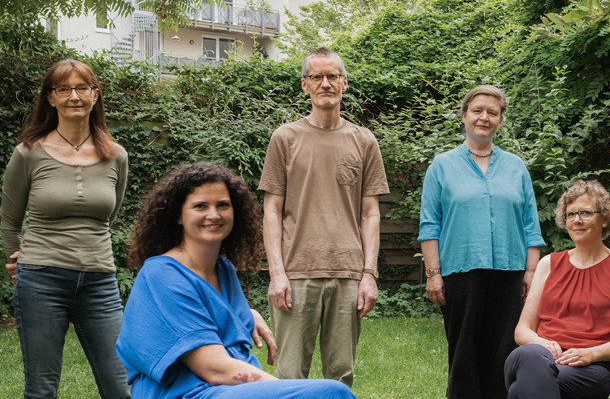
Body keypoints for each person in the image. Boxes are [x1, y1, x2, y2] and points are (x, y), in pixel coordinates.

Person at [116, 162, 354, 399]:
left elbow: (212, 312)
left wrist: (248, 313)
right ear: (179, 215)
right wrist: (283, 390)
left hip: (227, 391)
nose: (213, 214)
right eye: (200, 206)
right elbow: (215, 369)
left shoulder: (223, 269)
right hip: (190, 393)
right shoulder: (162, 274)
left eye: (223, 205)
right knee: (332, 393)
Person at [258, 47, 389, 385]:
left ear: (344, 83)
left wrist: (369, 274)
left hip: (348, 273)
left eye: (333, 76)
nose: (326, 83)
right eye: (317, 77)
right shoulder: (285, 138)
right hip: (296, 272)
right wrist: (277, 274)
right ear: (305, 85)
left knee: (340, 375)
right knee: (289, 375)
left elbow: (370, 214)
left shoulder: (364, 141)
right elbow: (271, 210)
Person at [0, 59, 130, 399]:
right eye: (64, 89)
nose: (74, 96)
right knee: (41, 390)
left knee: (122, 386)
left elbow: (108, 214)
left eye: (82, 88)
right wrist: (18, 260)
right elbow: (10, 220)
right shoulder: (28, 153)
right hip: (40, 280)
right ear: (51, 98)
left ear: (95, 95)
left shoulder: (116, 156)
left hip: (100, 282)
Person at [420, 84, 546, 399]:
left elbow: (531, 225)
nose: (484, 117)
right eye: (477, 110)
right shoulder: (442, 166)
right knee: (463, 354)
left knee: (503, 351)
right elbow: (429, 224)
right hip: (459, 273)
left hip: (510, 273)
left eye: (492, 112)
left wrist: (531, 272)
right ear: (464, 116)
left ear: (500, 120)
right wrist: (433, 274)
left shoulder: (516, 167)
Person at [505, 180, 610, 399]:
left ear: (605, 219)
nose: (576, 221)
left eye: (585, 213)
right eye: (570, 214)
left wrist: (590, 353)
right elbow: (522, 331)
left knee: (520, 390)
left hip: (590, 366)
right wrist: (540, 343)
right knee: (529, 355)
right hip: (540, 356)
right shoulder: (548, 264)